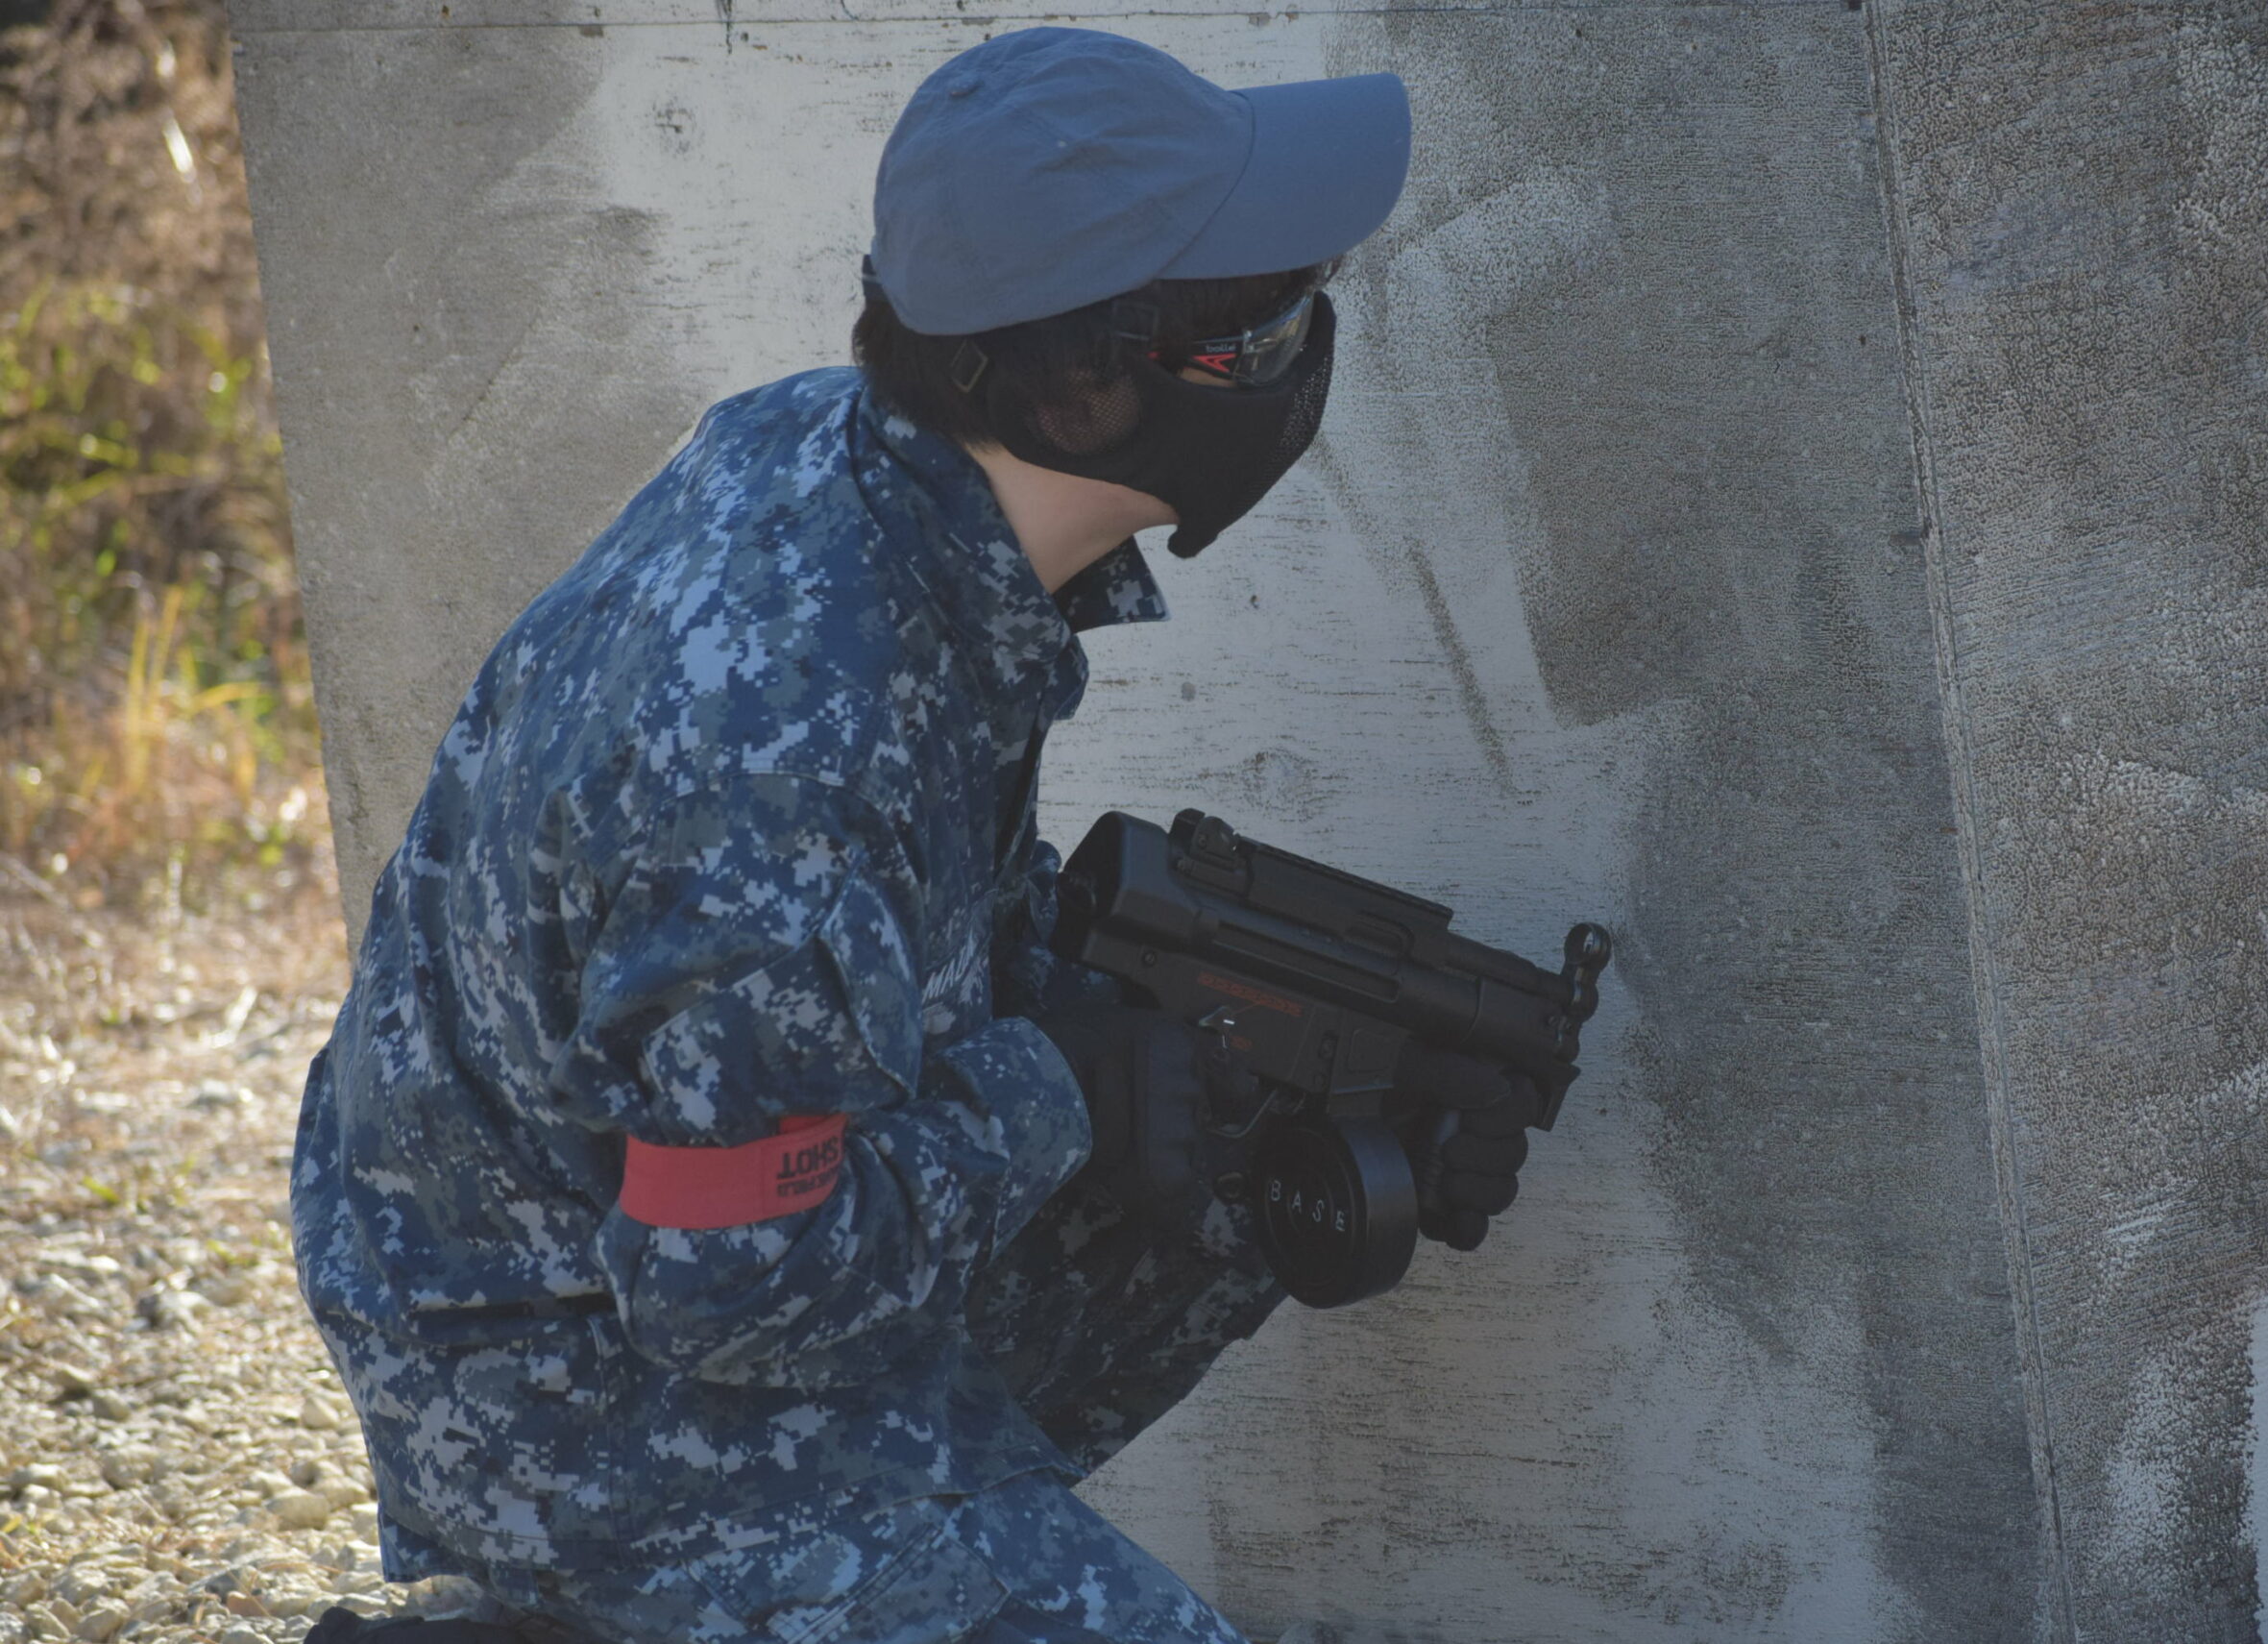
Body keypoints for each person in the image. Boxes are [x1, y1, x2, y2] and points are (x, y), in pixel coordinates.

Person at [292, 28, 1538, 1644]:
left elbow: (888, 989)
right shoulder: (781, 746)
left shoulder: (867, 477)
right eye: (1267, 327)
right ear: (1085, 393)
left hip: (637, 1237)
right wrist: (1061, 1088)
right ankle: (591, 1602)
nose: (1309, 345)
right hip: (579, 1385)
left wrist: (1343, 1094)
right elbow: (729, 1280)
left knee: (1226, 1140)